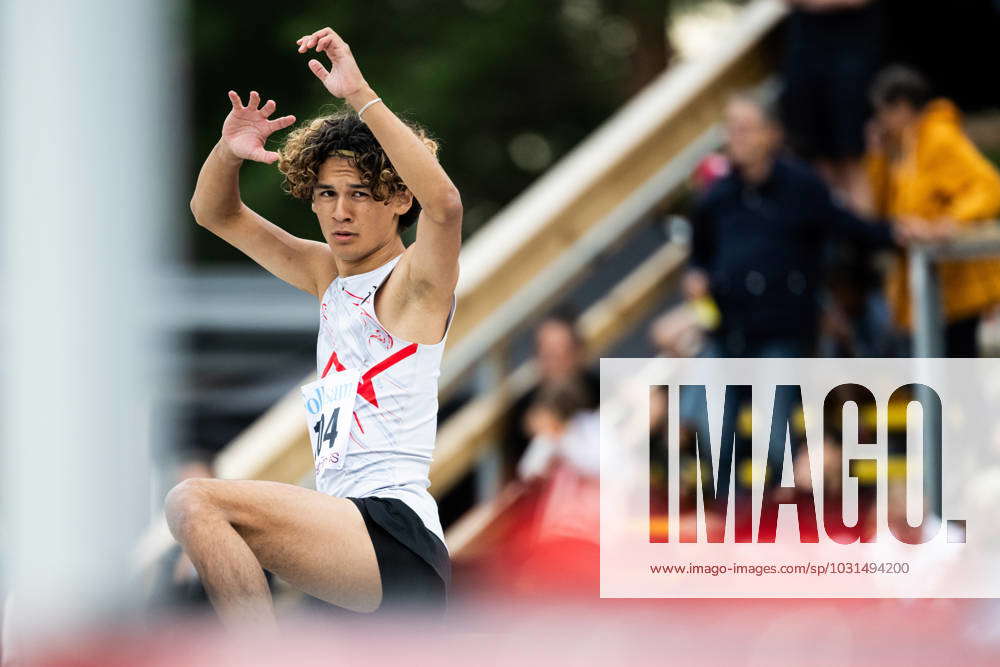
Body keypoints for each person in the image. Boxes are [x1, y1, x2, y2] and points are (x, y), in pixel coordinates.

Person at [165, 26, 463, 626]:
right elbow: (212, 212)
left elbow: (447, 207)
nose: (340, 211)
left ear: (399, 199)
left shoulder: (414, 284)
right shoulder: (323, 273)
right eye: (326, 193)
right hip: (345, 531)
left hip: (393, 534)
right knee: (210, 521)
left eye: (359, 193)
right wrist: (229, 151)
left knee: (196, 500)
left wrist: (359, 96)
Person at [685, 94, 899, 358]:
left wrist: (896, 231)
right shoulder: (716, 196)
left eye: (745, 129)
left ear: (771, 133)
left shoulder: (800, 185)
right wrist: (697, 280)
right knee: (702, 393)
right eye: (730, 129)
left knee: (775, 391)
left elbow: (847, 225)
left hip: (783, 329)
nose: (736, 137)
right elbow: (699, 257)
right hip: (728, 329)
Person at [866, 66, 1000, 356]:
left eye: (883, 113)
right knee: (948, 376)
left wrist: (948, 223)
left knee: (958, 372)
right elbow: (881, 209)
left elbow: (988, 186)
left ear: (902, 108)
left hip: (955, 283)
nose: (881, 123)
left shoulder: (938, 137)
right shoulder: (904, 147)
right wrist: (877, 157)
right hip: (930, 285)